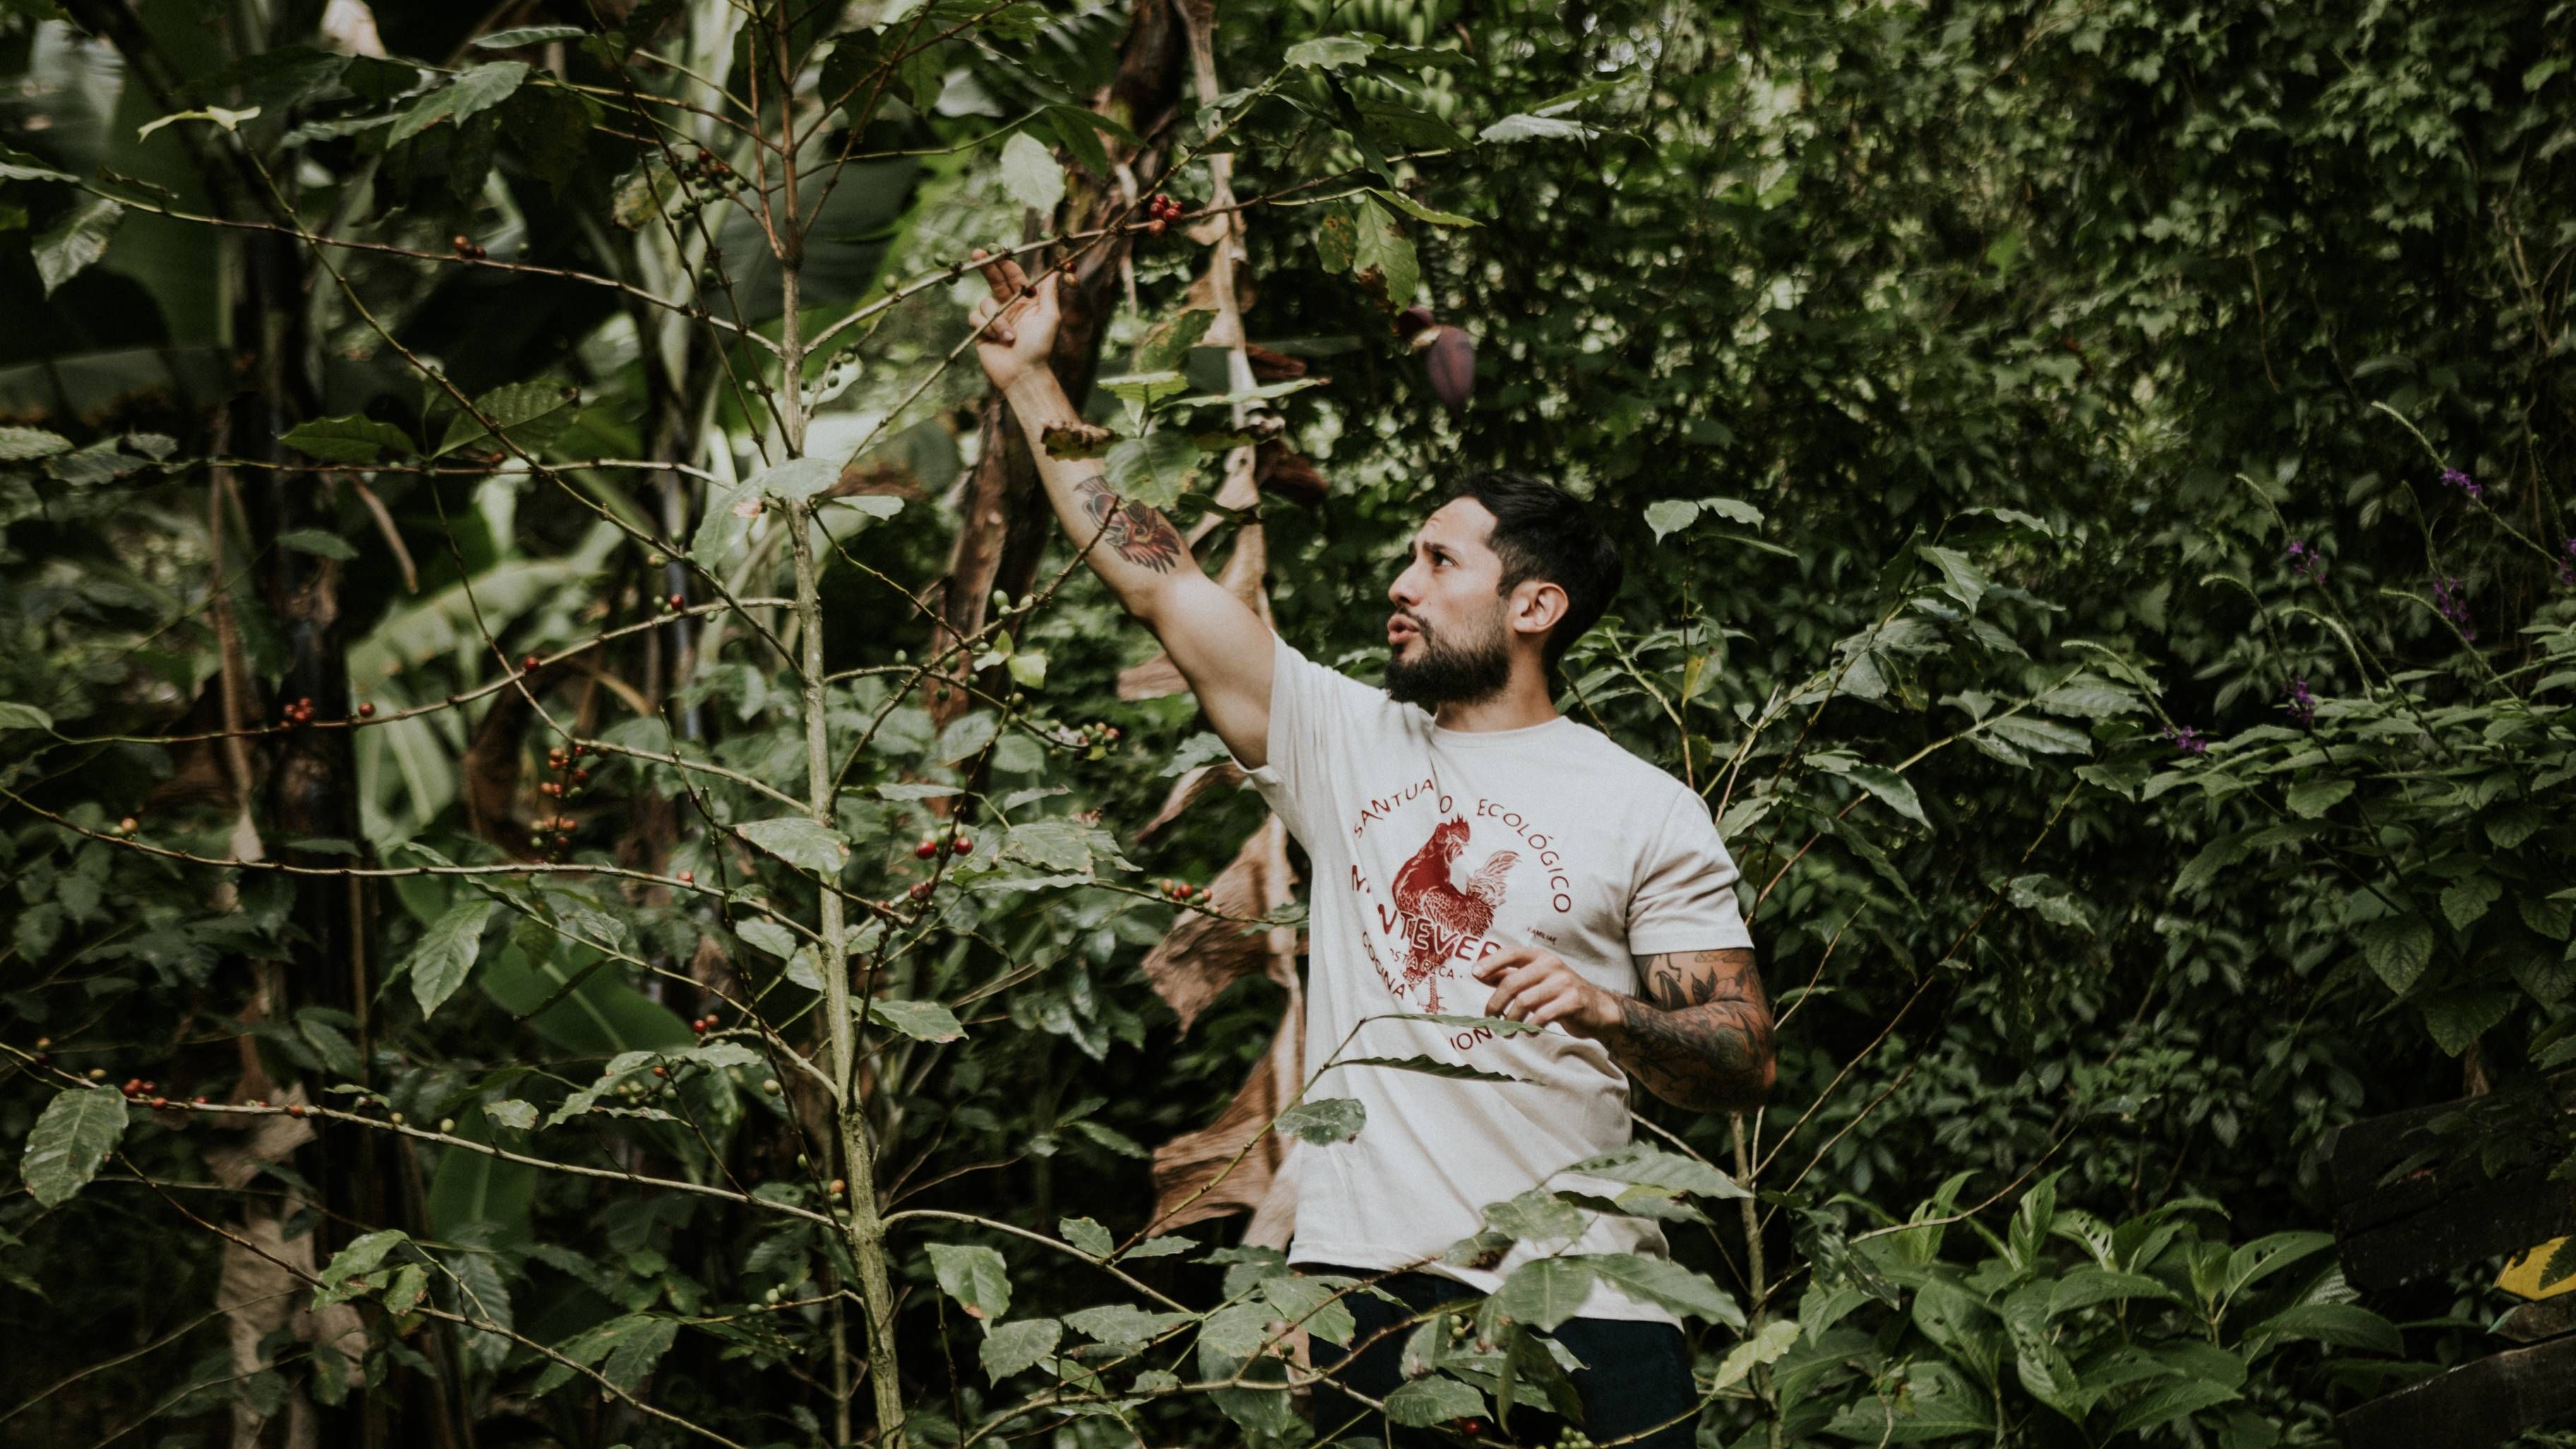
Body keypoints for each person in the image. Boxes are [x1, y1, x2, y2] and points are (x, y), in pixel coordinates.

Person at [966, 251, 1775, 1448]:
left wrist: (1610, 1012)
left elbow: (1744, 1059)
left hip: (1590, 1296)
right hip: (1371, 1293)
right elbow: (1161, 582)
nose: (1402, 583)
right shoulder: (1343, 741)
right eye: (1410, 555)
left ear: (1535, 608)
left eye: (1440, 562)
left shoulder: (1644, 805)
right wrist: (1032, 381)